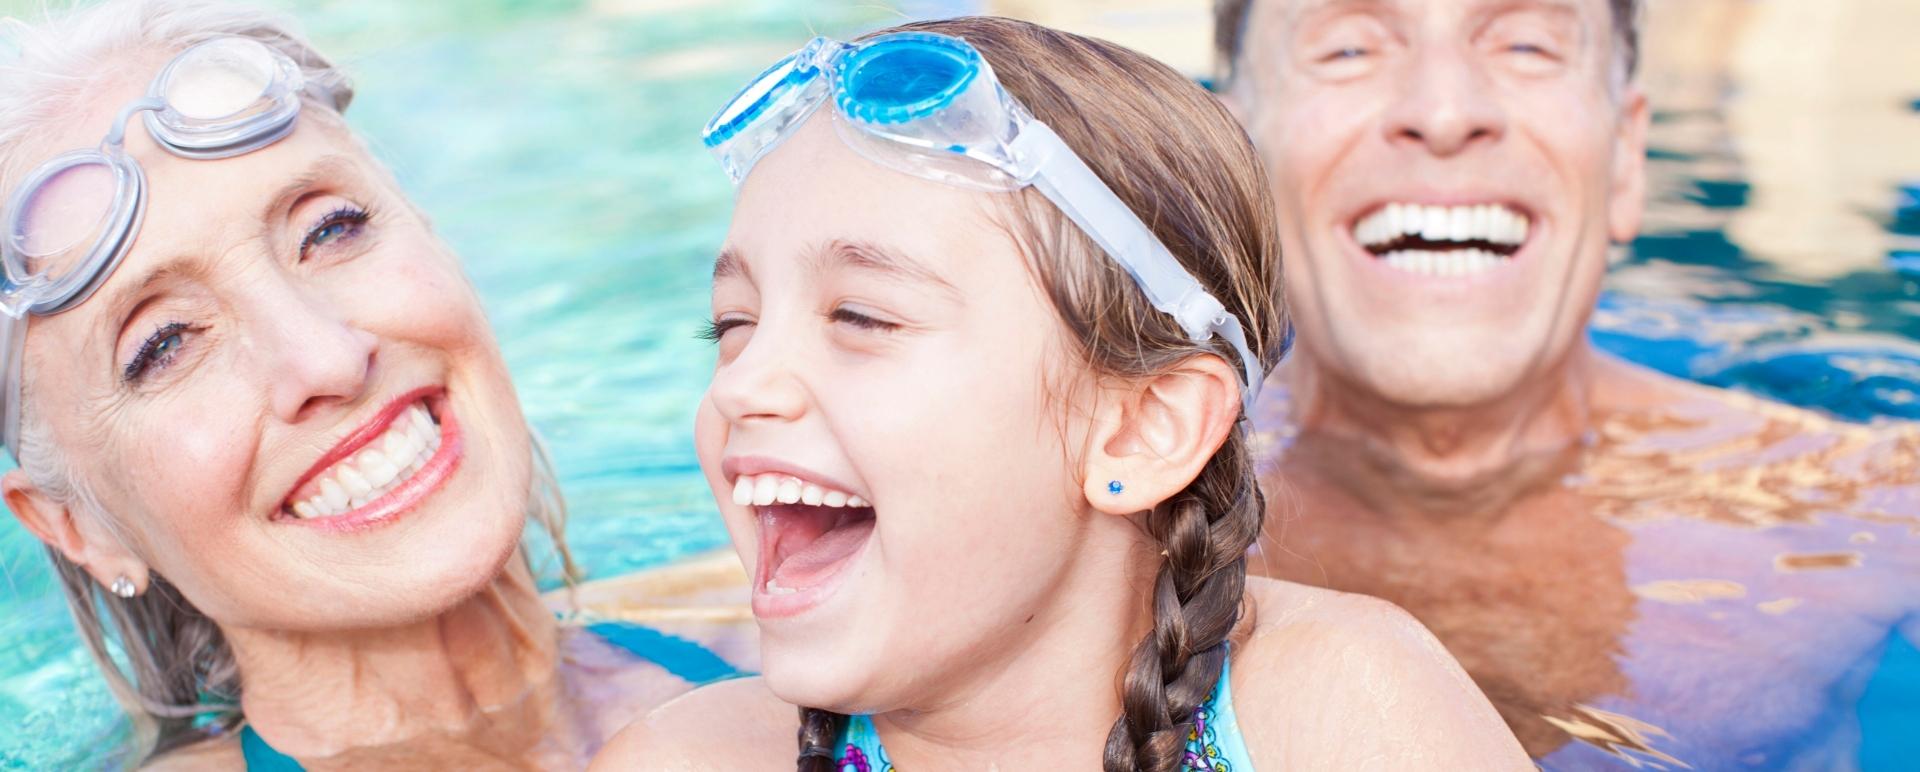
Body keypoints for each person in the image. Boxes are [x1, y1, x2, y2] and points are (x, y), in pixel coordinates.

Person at [594, 16, 1528, 771]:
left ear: (1141, 428)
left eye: (862, 318)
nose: (742, 384)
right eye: (733, 327)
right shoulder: (684, 758)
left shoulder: (1339, 716)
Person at [0, 1, 735, 768]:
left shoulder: (793, 638)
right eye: (166, 344)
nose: (329, 360)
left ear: (431, 232)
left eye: (329, 229)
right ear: (75, 526)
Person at [1214, 0, 1920, 766]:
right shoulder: (1108, 513)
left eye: (1526, 44)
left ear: (1625, 156)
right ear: (1229, 160)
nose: (1445, 113)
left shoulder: (1875, 506)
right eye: (1349, 49)